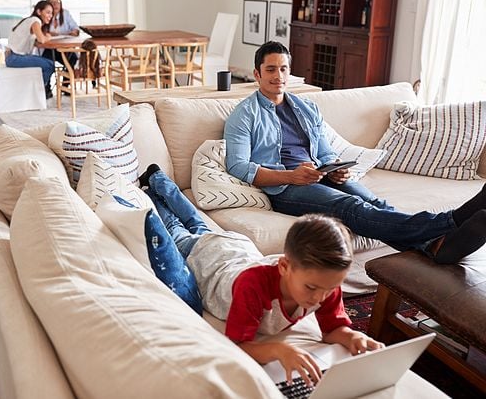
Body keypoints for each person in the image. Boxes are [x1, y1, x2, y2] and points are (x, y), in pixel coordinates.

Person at [223, 41, 486, 264]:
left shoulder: (306, 107)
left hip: (318, 175)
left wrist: (335, 168)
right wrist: (291, 177)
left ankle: (433, 247)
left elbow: (324, 151)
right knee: (350, 206)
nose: (278, 76)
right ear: (257, 74)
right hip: (285, 188)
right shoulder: (244, 114)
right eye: (270, 70)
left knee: (378, 204)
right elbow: (239, 166)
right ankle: (451, 220)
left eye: (283, 69)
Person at [138, 164, 383, 386]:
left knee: (197, 223)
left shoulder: (324, 282)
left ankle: (158, 180)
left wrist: (352, 336)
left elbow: (332, 329)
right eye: (311, 289)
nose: (319, 299)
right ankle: (153, 185)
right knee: (178, 229)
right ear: (285, 267)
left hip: (238, 250)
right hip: (210, 260)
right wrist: (279, 350)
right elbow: (239, 344)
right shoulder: (253, 285)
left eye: (328, 289)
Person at [5, 0, 55, 99]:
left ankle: (36, 91)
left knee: (45, 63)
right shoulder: (35, 21)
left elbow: (36, 41)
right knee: (50, 65)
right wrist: (48, 37)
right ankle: (38, 93)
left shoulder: (31, 20)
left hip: (13, 56)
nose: (50, 15)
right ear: (39, 12)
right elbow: (41, 39)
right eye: (48, 12)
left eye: (52, 13)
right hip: (15, 58)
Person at [41, 0, 80, 95]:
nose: (55, 5)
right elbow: (41, 32)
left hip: (64, 48)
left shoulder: (65, 14)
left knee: (73, 59)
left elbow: (76, 28)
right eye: (52, 2)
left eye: (57, 2)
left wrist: (74, 32)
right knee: (46, 61)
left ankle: (65, 86)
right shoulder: (45, 15)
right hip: (50, 48)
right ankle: (47, 88)